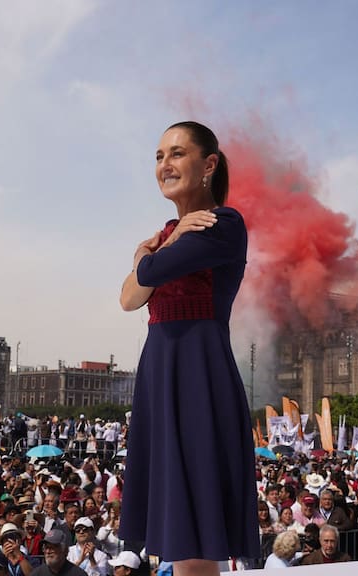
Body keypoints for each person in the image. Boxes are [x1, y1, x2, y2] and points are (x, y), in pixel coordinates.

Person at [119, 120, 258, 575]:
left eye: (177, 153)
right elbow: (127, 299)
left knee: (194, 527)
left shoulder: (224, 224)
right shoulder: (172, 233)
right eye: (159, 156)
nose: (165, 164)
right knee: (180, 533)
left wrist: (148, 253)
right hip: (162, 376)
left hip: (198, 377)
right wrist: (165, 244)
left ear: (209, 165)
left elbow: (146, 275)